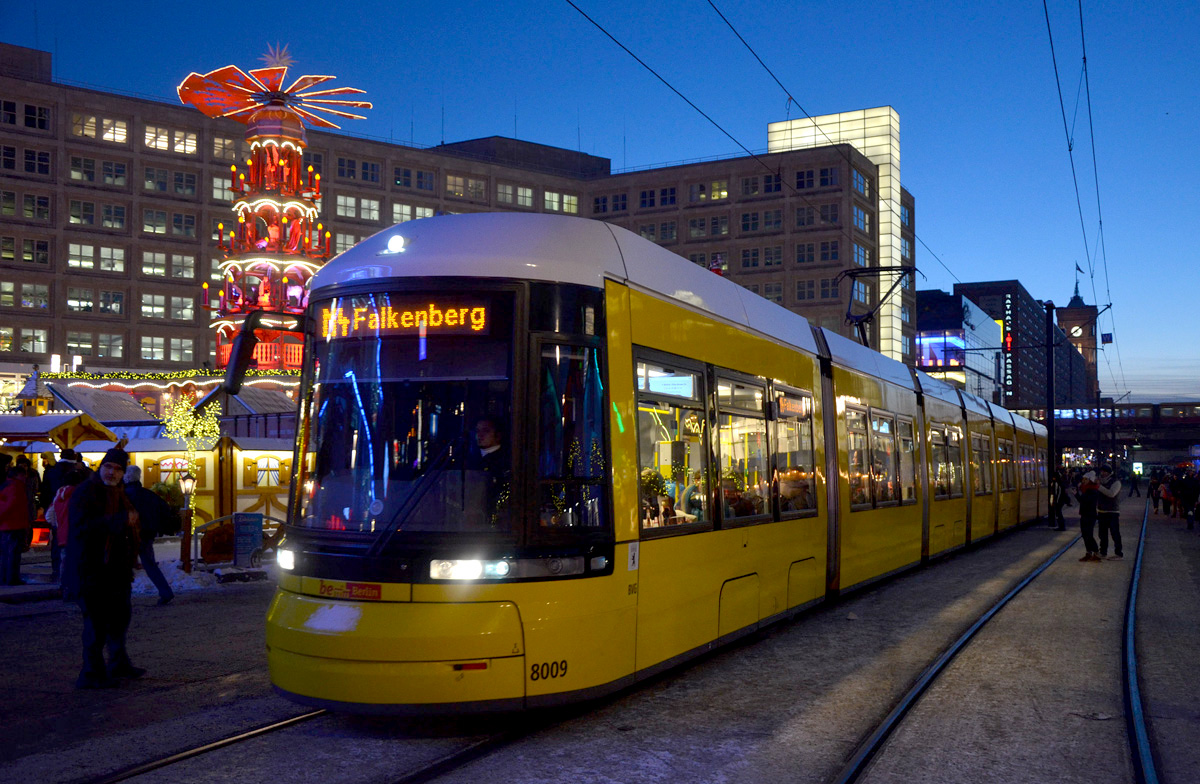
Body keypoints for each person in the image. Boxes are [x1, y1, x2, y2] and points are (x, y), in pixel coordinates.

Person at [66, 447, 144, 689]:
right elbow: (82, 528)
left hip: (117, 570)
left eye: (118, 469)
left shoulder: (118, 493)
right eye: (108, 467)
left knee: (120, 618)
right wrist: (120, 520)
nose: (112, 473)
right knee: (96, 622)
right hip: (91, 569)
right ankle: (91, 673)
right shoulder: (86, 492)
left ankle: (118, 663)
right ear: (101, 467)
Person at [124, 465, 175, 606]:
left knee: (123, 567)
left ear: (127, 477)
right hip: (147, 535)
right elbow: (165, 510)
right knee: (150, 564)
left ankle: (121, 598)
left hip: (128, 536)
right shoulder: (149, 495)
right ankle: (165, 591)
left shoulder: (124, 495)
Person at [48, 468, 87, 587]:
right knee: (78, 561)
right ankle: (75, 586)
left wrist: (58, 525)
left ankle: (64, 585)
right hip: (77, 533)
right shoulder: (80, 495)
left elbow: (49, 516)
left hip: (62, 534)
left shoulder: (58, 496)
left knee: (64, 560)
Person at [472, 417, 510, 527]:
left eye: (486, 431)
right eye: (478, 431)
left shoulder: (505, 462)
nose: (480, 435)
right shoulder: (470, 459)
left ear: (498, 435)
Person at [0, 467, 31, 584]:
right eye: (24, 475)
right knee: (13, 554)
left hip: (6, 525)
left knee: (6, 553)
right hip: (14, 524)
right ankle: (12, 578)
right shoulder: (16, 487)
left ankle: (5, 577)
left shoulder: (6, 485)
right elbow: (12, 505)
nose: (25, 477)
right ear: (18, 475)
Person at [1096, 464, 1123, 560]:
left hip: (1112, 511)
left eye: (1104, 471)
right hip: (1101, 511)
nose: (1102, 473)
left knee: (1115, 533)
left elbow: (1111, 494)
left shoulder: (1116, 482)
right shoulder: (1099, 481)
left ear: (1109, 472)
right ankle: (1103, 552)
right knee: (1102, 534)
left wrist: (1099, 487)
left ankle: (1118, 553)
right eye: (1101, 471)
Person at [1074, 470, 1101, 562]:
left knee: (1088, 534)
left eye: (1085, 479)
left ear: (1090, 480)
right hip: (1085, 514)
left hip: (1090, 515)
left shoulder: (1092, 490)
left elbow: (1084, 501)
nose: (1083, 481)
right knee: (1085, 534)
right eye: (1083, 479)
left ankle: (1096, 552)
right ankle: (1089, 552)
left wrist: (1077, 494)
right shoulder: (1086, 489)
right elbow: (1083, 500)